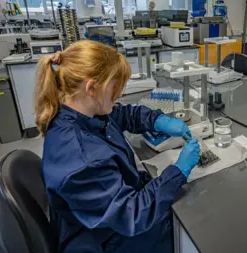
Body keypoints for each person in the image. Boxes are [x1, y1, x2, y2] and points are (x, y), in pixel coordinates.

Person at [35, 40, 201, 253]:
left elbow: (123, 114)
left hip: (106, 213)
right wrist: (178, 171)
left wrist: (158, 120)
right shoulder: (81, 158)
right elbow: (133, 215)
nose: (119, 94)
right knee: (185, 225)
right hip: (104, 239)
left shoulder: (81, 110)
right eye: (115, 88)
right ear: (92, 88)